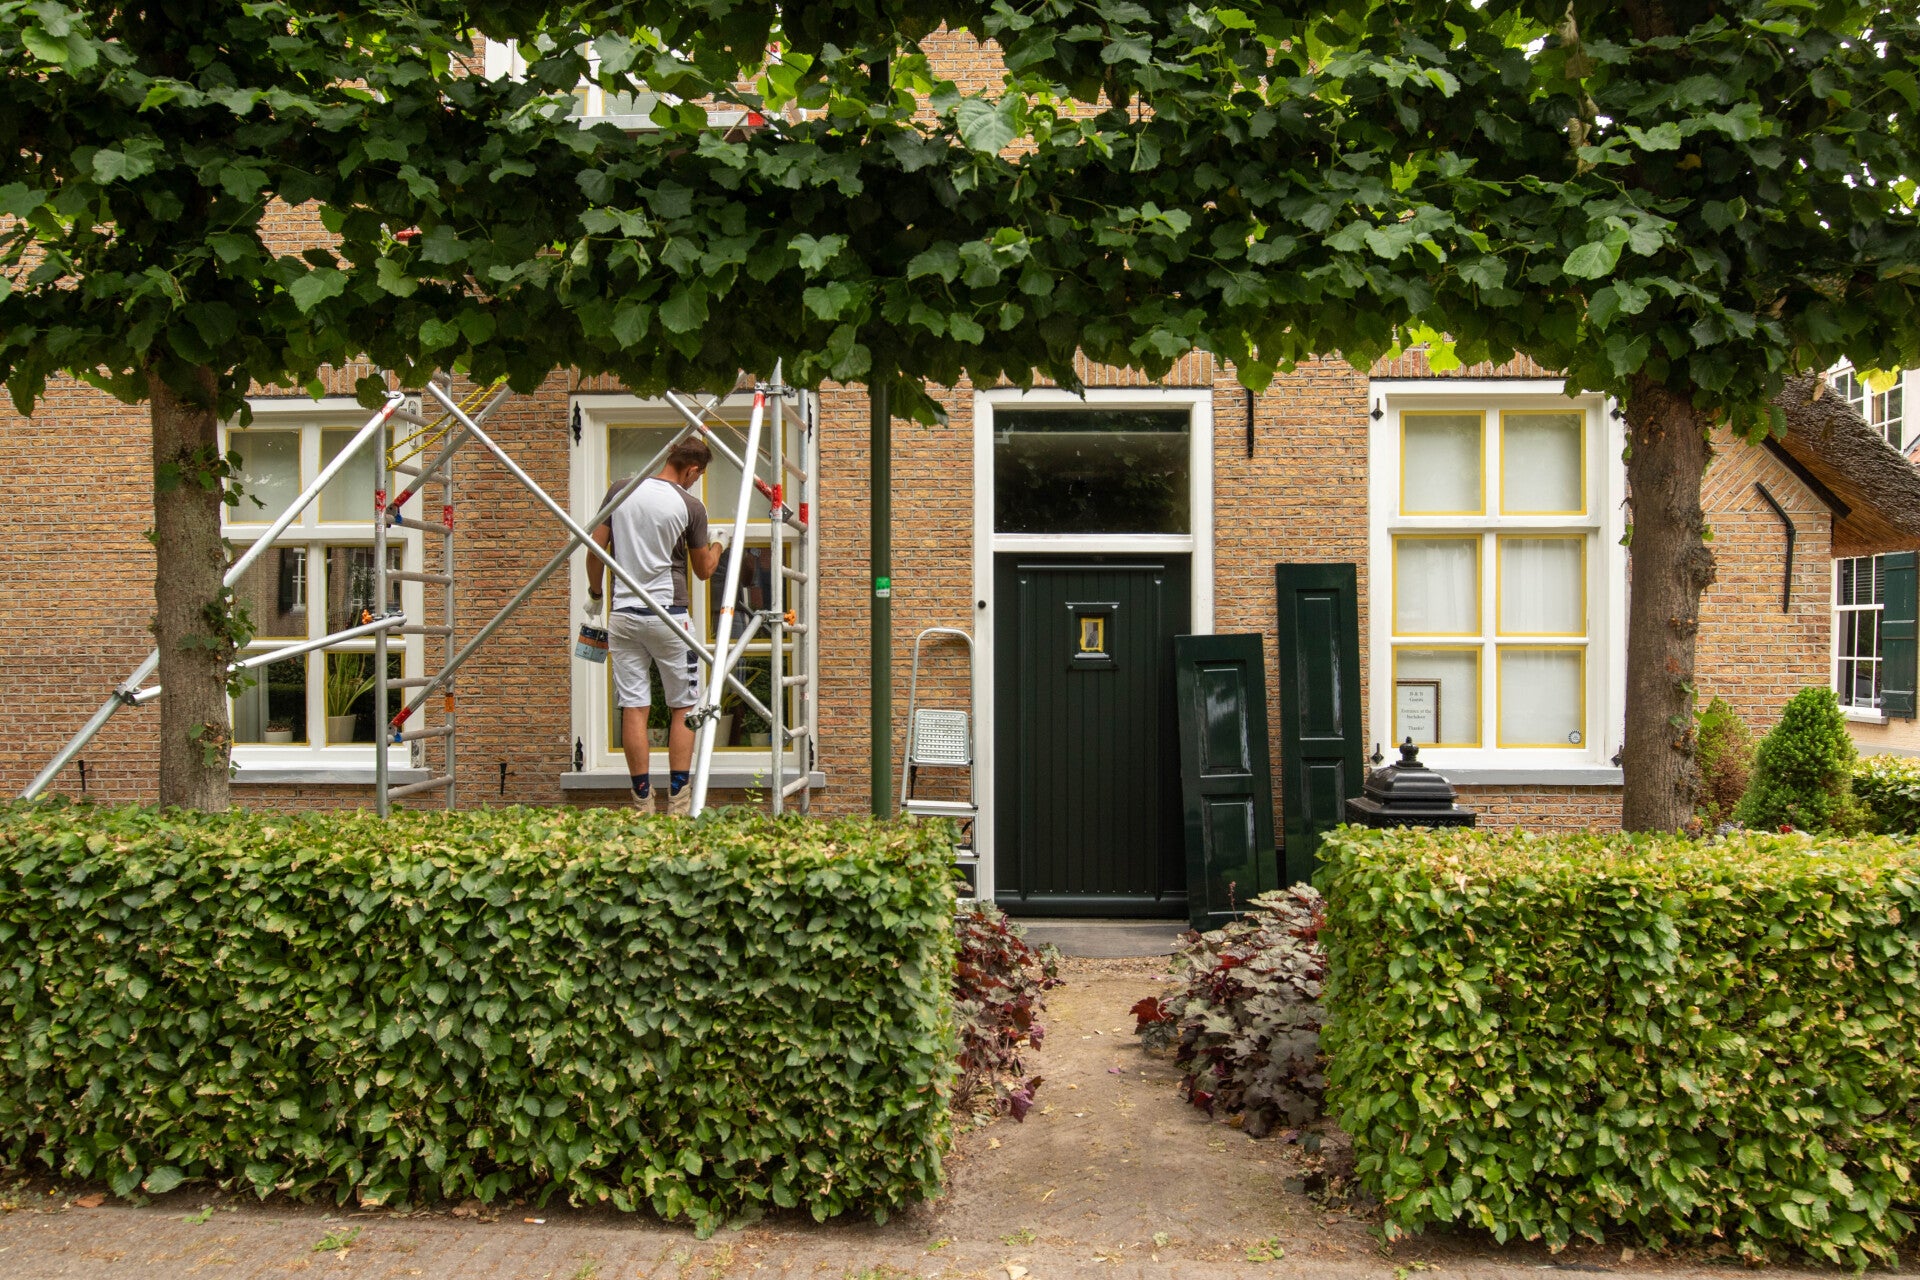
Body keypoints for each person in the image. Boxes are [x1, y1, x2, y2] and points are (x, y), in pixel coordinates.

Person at [584, 438, 724, 814]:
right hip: (669, 617)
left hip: (624, 615)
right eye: (698, 476)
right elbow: (703, 570)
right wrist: (719, 545)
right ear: (692, 470)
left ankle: (642, 802)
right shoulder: (690, 506)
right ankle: (678, 803)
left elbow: (594, 551)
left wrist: (596, 594)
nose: (695, 482)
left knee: (634, 707)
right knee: (684, 706)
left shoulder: (620, 490)